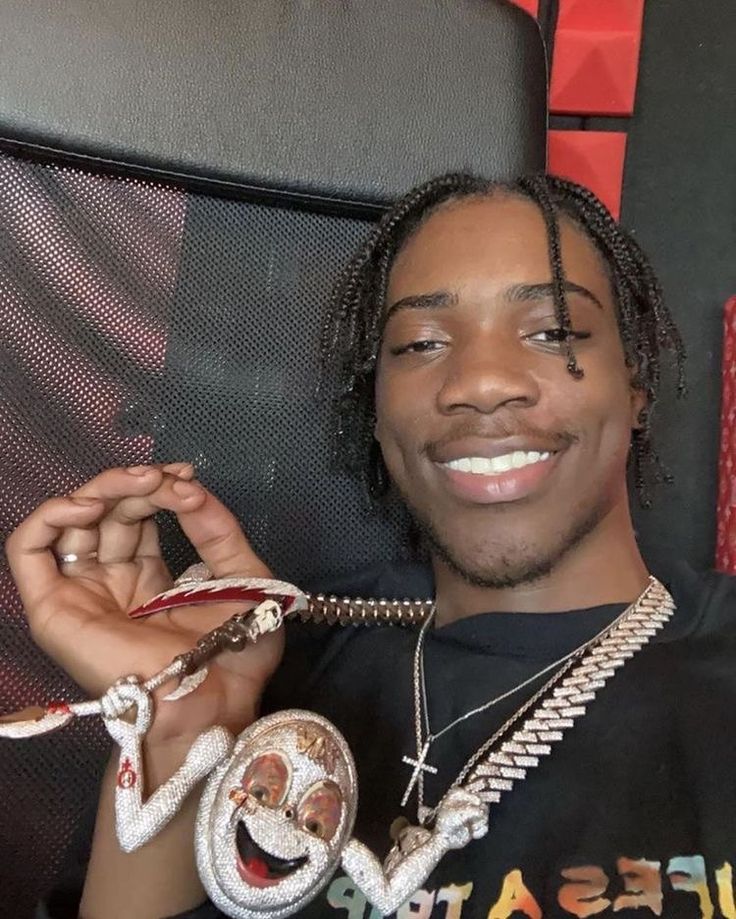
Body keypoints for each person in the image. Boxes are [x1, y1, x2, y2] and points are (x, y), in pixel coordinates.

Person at [8, 173, 736, 919]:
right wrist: (179, 725)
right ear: (377, 406)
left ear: (635, 384)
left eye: (552, 331)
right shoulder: (267, 654)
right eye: (420, 342)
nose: (481, 382)